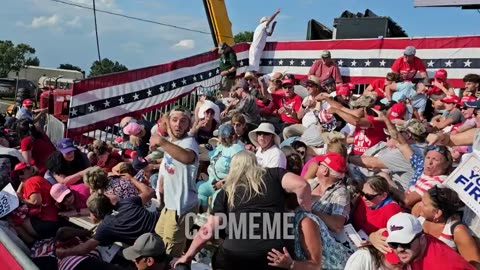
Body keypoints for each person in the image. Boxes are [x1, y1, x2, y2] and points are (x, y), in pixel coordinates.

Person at [174, 151, 312, 270]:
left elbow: (208, 229)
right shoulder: (273, 174)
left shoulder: (226, 192)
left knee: (219, 258)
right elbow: (301, 184)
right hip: (273, 253)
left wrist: (187, 256)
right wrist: (304, 207)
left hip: (236, 253)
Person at [55, 174, 157, 258]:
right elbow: (150, 192)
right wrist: (132, 179)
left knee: (121, 254)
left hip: (153, 244)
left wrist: (63, 253)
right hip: (163, 222)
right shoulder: (127, 202)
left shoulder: (105, 227)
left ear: (96, 214)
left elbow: (84, 249)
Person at [150, 107, 199, 257]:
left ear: (189, 125)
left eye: (183, 121)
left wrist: (161, 141)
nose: (178, 124)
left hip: (181, 208)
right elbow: (165, 170)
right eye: (174, 120)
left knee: (170, 252)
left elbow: (186, 157)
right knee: (158, 240)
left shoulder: (189, 142)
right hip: (168, 206)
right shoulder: (172, 142)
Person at [386, 213, 475, 269]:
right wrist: (372, 237)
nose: (399, 249)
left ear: (421, 239)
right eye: (393, 243)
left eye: (405, 243)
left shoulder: (444, 265)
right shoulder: (416, 247)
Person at [417, 186, 480, 266]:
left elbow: (474, 265)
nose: (419, 205)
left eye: (424, 204)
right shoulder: (420, 214)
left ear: (437, 213)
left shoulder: (458, 231)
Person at [196, 124, 244, 210]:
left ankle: (215, 219)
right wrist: (195, 155)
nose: (219, 138)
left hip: (226, 185)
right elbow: (209, 156)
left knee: (216, 199)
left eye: (219, 136)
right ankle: (202, 214)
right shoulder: (221, 146)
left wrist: (222, 183)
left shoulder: (237, 149)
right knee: (200, 188)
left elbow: (239, 173)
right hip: (212, 182)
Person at [12, 162, 60, 244]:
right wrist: (23, 182)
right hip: (53, 219)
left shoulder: (30, 182)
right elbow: (18, 194)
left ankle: (33, 244)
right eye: (17, 175)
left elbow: (36, 202)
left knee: (13, 221)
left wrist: (22, 198)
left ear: (30, 170)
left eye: (21, 173)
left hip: (46, 222)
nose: (20, 176)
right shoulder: (37, 178)